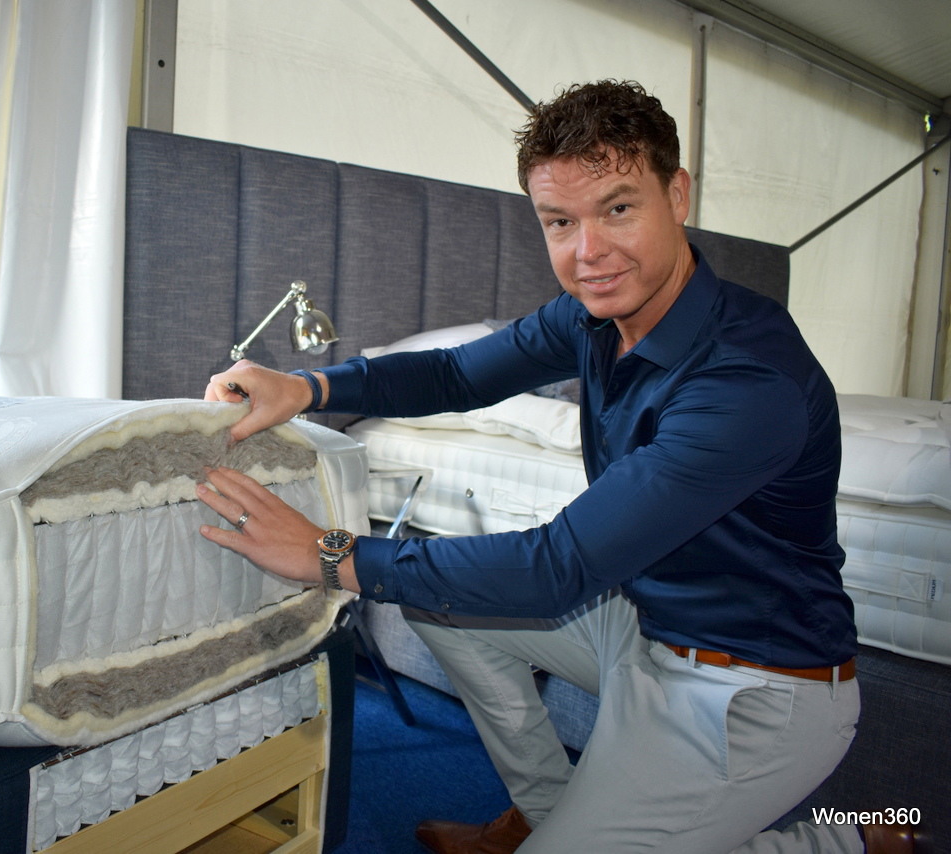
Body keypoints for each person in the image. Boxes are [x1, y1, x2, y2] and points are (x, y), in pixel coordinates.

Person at [195, 81, 915, 853]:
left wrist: (328, 552)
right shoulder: (593, 316)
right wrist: (308, 387)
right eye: (560, 222)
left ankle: (855, 843)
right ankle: (544, 812)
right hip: (642, 621)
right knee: (437, 595)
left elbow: (557, 568)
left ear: (677, 195)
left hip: (751, 683)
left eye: (618, 208)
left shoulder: (747, 380)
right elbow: (454, 374)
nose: (588, 253)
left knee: (434, 577)